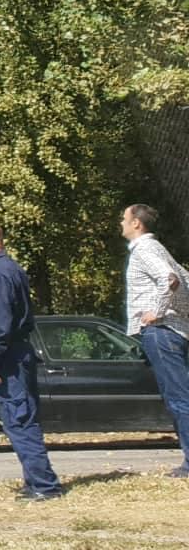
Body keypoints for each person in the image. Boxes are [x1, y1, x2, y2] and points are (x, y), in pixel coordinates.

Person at [0, 222, 63, 501]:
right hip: (15, 352)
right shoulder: (10, 268)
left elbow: (0, 320)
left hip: (9, 355)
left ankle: (45, 485)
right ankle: (35, 480)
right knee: (18, 418)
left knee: (20, 419)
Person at [119, 203, 189, 475]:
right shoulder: (158, 248)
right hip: (173, 330)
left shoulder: (145, 249)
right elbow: (184, 278)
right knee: (180, 395)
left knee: (179, 398)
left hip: (161, 333)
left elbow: (170, 279)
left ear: (136, 223)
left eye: (124, 219)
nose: (121, 223)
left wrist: (156, 313)